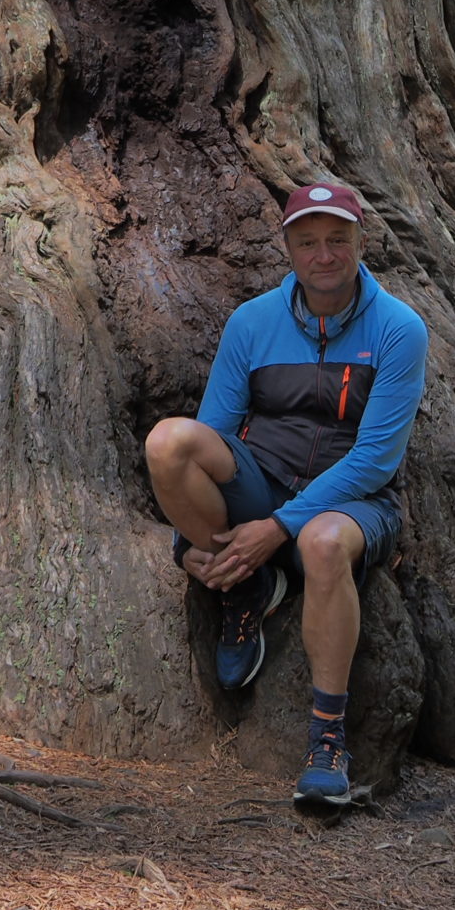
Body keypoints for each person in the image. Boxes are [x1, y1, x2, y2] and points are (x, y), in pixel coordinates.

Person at [144, 180, 429, 805]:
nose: (323, 255)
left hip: (355, 502)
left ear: (361, 241)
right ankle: (246, 582)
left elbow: (376, 458)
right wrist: (185, 539)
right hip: (261, 483)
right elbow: (214, 432)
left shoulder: (398, 329)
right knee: (169, 442)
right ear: (288, 250)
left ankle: (327, 739)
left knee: (324, 542)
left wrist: (279, 528)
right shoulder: (253, 322)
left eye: (337, 240)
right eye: (308, 243)